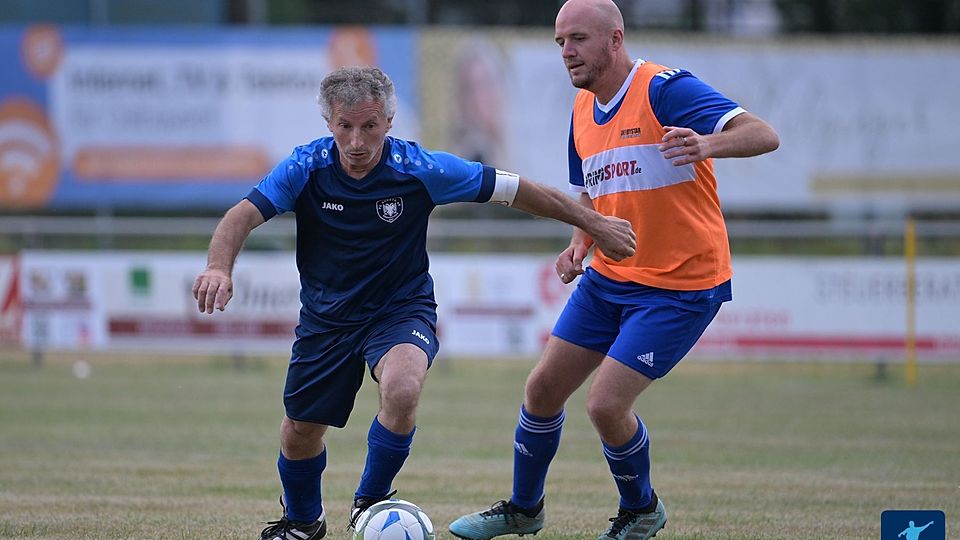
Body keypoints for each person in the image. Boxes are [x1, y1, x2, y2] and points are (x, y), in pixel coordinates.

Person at [192, 65, 636, 540]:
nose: (357, 141)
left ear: (388, 120)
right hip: (327, 319)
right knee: (300, 431)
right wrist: (219, 266)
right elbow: (240, 217)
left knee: (403, 389)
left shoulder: (420, 169)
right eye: (345, 127)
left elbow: (519, 191)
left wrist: (594, 224)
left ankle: (370, 501)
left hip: (400, 310)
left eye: (369, 126)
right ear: (329, 124)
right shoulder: (306, 167)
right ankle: (302, 520)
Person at [448, 1, 780, 539]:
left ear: (614, 39)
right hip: (610, 279)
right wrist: (580, 241)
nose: (567, 52)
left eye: (577, 38)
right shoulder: (582, 108)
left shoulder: (664, 90)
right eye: (560, 42)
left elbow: (764, 134)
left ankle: (641, 509)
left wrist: (707, 144)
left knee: (605, 405)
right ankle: (524, 509)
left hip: (680, 285)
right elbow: (594, 192)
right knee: (542, 391)